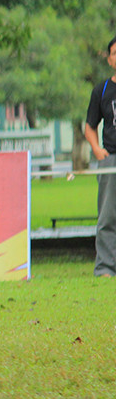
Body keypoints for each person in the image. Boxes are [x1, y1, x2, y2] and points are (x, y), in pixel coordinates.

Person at [84, 35, 116, 277]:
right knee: (107, 216)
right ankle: (105, 268)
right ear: (109, 59)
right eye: (114, 53)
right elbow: (90, 126)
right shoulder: (102, 90)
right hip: (110, 162)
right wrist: (97, 149)